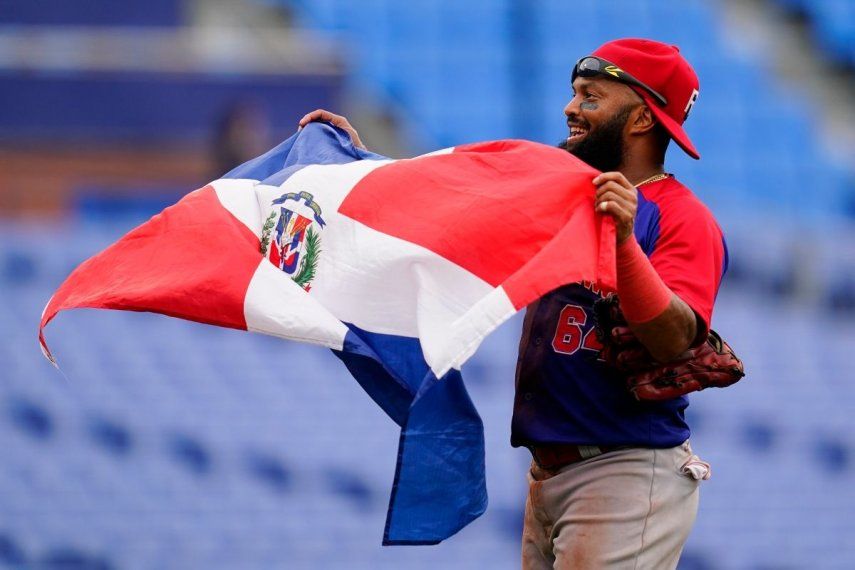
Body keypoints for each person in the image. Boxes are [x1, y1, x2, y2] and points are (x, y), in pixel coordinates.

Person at [299, 37, 727, 569]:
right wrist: (364, 169)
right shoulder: (563, 188)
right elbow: (453, 207)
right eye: (575, 93)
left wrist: (623, 245)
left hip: (625, 471)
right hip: (549, 473)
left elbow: (674, 340)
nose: (571, 107)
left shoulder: (681, 218)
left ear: (641, 118)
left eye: (591, 97)